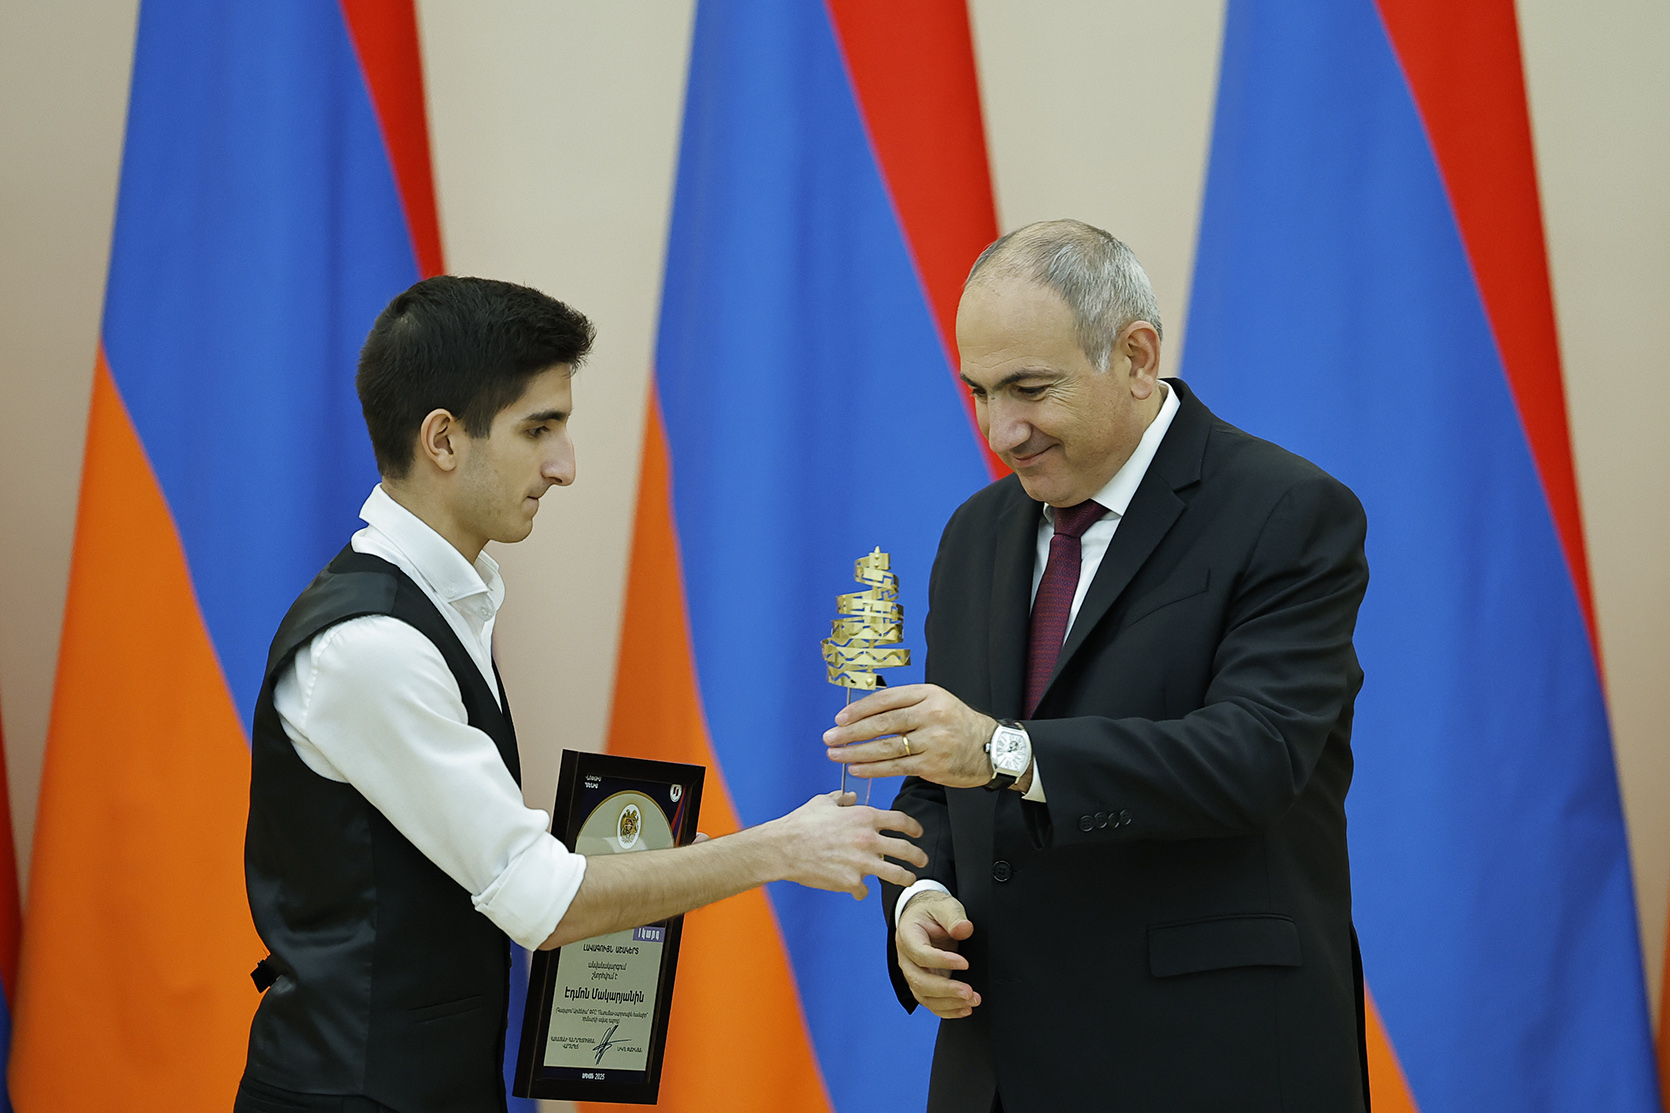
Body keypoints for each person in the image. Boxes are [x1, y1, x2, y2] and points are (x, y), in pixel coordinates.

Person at [236, 276, 926, 1113]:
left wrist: (670, 845)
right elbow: (543, 901)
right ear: (444, 439)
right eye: (539, 429)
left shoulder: (439, 604)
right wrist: (782, 848)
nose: (565, 466)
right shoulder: (372, 644)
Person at [825, 221, 1370, 1112]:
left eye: (1030, 389)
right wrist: (919, 898)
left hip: (1206, 1065)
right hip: (998, 1070)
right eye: (979, 392)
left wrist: (1002, 751)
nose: (1001, 430)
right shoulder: (975, 533)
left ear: (1136, 357)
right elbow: (942, 773)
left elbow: (1256, 755)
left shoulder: (1287, 510)